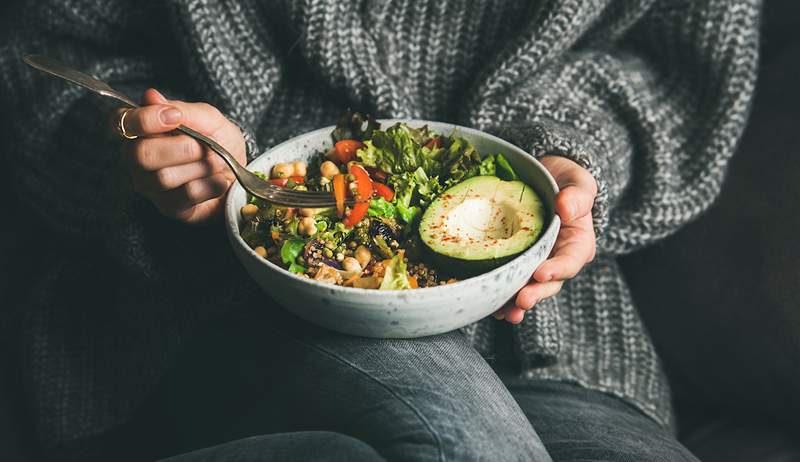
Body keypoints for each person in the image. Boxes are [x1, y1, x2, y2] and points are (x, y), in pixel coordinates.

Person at [0, 0, 760, 461]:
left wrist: (562, 154)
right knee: (462, 444)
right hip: (220, 299)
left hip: (557, 329)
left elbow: (675, 61)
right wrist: (150, 150)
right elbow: (46, 54)